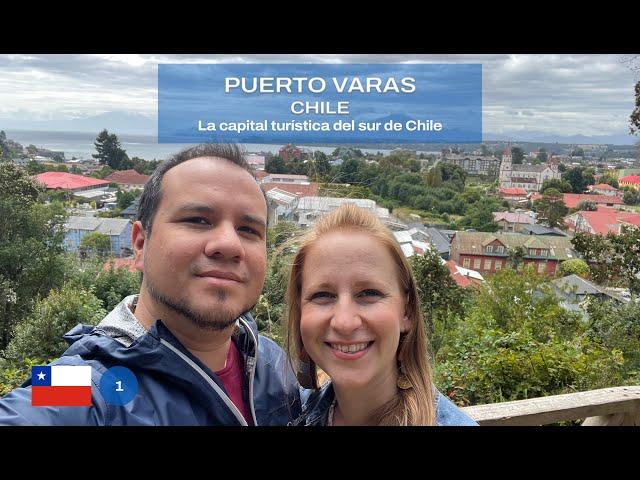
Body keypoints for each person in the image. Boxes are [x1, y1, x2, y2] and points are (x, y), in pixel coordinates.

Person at [0, 144, 300, 425]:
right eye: (198, 220)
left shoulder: (271, 362)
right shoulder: (84, 381)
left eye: (248, 229)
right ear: (140, 244)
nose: (229, 244)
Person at [285, 204, 476, 426]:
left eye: (369, 293)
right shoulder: (295, 411)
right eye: (322, 295)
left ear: (407, 311)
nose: (345, 323)